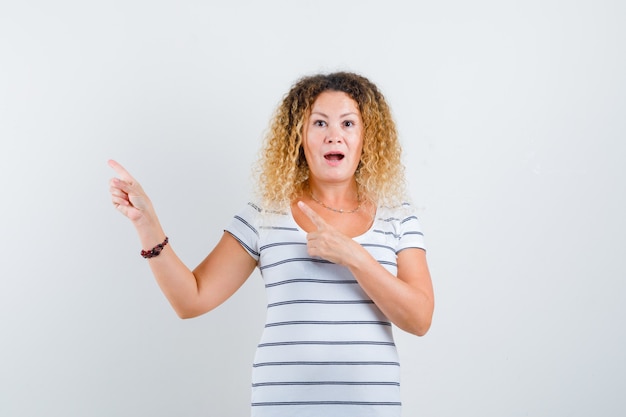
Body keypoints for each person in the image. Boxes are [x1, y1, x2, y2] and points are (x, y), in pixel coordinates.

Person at [108, 71, 434, 417]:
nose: (334, 135)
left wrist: (355, 257)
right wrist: (147, 223)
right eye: (319, 123)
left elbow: (419, 319)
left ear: (366, 137)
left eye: (348, 123)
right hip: (284, 405)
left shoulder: (397, 218)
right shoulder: (264, 215)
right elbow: (191, 299)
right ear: (299, 137)